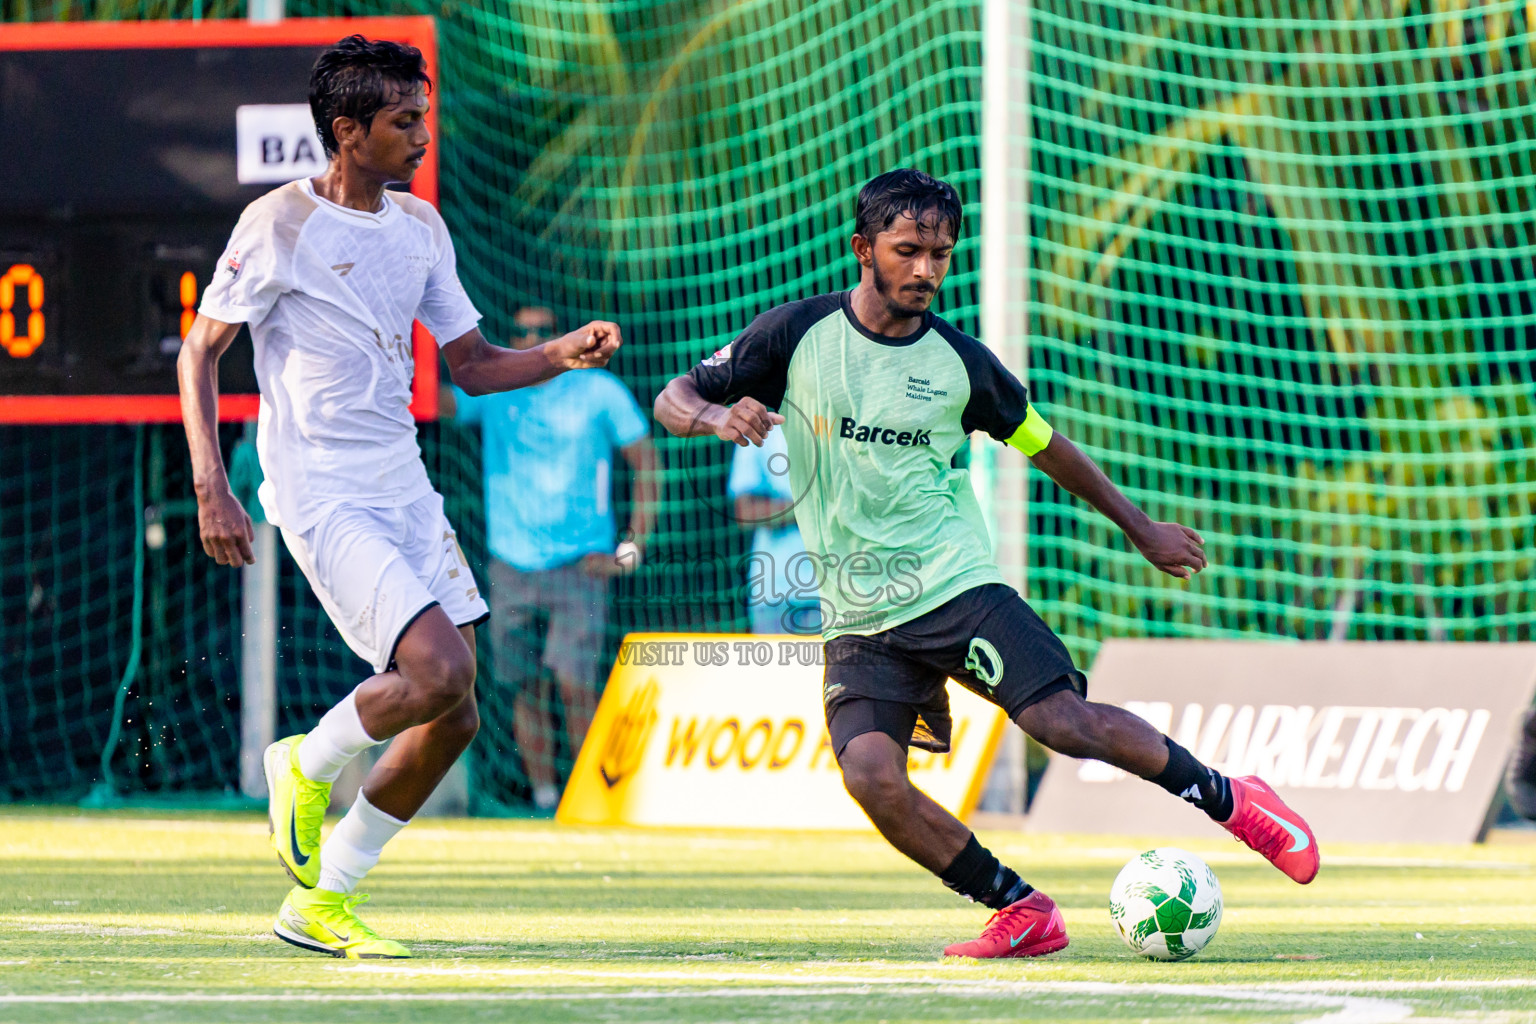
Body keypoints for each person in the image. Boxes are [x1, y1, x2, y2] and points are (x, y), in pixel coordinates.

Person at [654, 168, 1320, 960]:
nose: (926, 271)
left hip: (955, 584)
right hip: (858, 613)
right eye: (907, 251)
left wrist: (1140, 528)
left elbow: (1049, 449)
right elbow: (673, 396)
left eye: (939, 254)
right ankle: (1019, 907)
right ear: (863, 249)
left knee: (1064, 726)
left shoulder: (962, 363)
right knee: (871, 776)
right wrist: (715, 413)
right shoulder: (795, 334)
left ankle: (1233, 802)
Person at [177, 35, 621, 960]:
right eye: (403, 120)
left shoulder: (421, 226)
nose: (424, 134)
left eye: (425, 115)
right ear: (347, 132)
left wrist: (560, 353)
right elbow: (199, 352)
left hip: (405, 485)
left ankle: (322, 903)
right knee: (439, 673)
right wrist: (212, 486)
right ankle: (306, 759)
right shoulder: (277, 224)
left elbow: (472, 365)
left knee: (454, 712)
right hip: (319, 489)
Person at [447, 305, 656, 811]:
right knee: (524, 687)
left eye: (544, 330)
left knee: (574, 682)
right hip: (510, 563)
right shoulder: (495, 387)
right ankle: (544, 798)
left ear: (563, 336)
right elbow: (431, 403)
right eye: (523, 330)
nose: (533, 337)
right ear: (512, 337)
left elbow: (647, 464)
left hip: (581, 563)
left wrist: (630, 549)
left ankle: (588, 802)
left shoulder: (599, 391)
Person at [727, 429, 821, 634]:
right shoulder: (761, 427)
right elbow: (745, 511)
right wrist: (807, 509)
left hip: (842, 592)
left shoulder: (845, 419)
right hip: (776, 592)